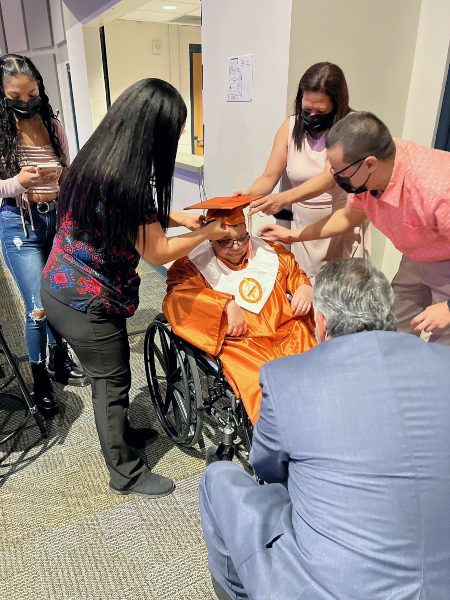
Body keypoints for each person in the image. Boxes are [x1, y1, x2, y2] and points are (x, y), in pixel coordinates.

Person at [200, 258, 450, 600]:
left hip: (336, 587)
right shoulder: (443, 363)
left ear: (320, 321)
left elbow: (267, 467)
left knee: (217, 478)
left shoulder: (284, 377)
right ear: (389, 311)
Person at [41, 78, 231, 499]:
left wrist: (180, 218)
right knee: (111, 383)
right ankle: (124, 473)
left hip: (62, 285)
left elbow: (126, 222)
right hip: (84, 301)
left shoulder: (96, 158)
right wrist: (210, 232)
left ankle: (121, 434)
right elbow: (159, 253)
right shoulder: (127, 181)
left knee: (108, 377)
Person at [260, 111, 450, 344]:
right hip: (417, 255)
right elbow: (347, 218)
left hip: (446, 263)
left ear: (370, 163)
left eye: (340, 174)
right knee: (394, 327)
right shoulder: (371, 175)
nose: (336, 180)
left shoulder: (437, 190)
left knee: (444, 345)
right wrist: (294, 235)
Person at [163, 196, 316, 424]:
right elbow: (177, 299)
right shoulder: (190, 266)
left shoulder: (269, 252)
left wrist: (303, 286)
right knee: (262, 384)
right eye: (225, 241)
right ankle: (279, 439)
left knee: (314, 369)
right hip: (240, 343)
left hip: (287, 331)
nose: (237, 247)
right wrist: (223, 304)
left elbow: (293, 271)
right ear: (210, 239)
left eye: (242, 238)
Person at [0, 54, 87, 417]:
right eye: (16, 97)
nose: (26, 102)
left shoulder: (52, 125)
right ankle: (40, 382)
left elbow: (68, 171)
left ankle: (59, 359)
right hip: (19, 225)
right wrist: (18, 182)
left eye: (32, 93)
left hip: (56, 221)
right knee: (37, 307)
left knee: (59, 298)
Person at [236, 62, 369, 280]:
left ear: (337, 105)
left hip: (337, 226)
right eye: (307, 110)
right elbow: (269, 176)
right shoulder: (290, 127)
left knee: (336, 294)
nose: (313, 116)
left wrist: (282, 198)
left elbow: (329, 177)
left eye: (321, 111)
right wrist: (251, 194)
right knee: (302, 287)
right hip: (302, 229)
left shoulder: (351, 127)